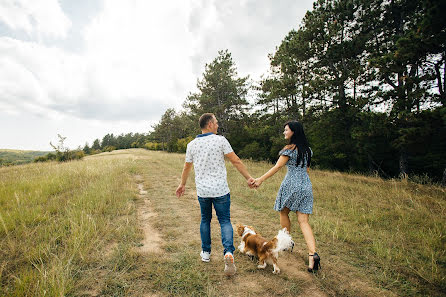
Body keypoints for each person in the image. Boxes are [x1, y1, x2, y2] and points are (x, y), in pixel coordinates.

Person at [176, 113, 254, 276]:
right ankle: (228, 252)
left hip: (203, 191)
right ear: (210, 124)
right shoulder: (221, 141)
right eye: (216, 123)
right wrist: (248, 178)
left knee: (205, 219)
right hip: (220, 190)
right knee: (224, 220)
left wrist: (182, 184)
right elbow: (236, 161)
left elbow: (186, 167)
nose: (218, 125)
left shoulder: (192, 144)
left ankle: (205, 253)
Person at [252, 121, 321, 272]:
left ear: (293, 132)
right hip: (306, 186)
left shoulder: (289, 149)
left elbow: (277, 167)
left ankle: (286, 242)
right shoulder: (308, 150)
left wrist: (260, 180)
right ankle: (312, 255)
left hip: (291, 184)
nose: (284, 132)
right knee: (303, 221)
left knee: (284, 212)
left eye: (286, 130)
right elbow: (306, 169)